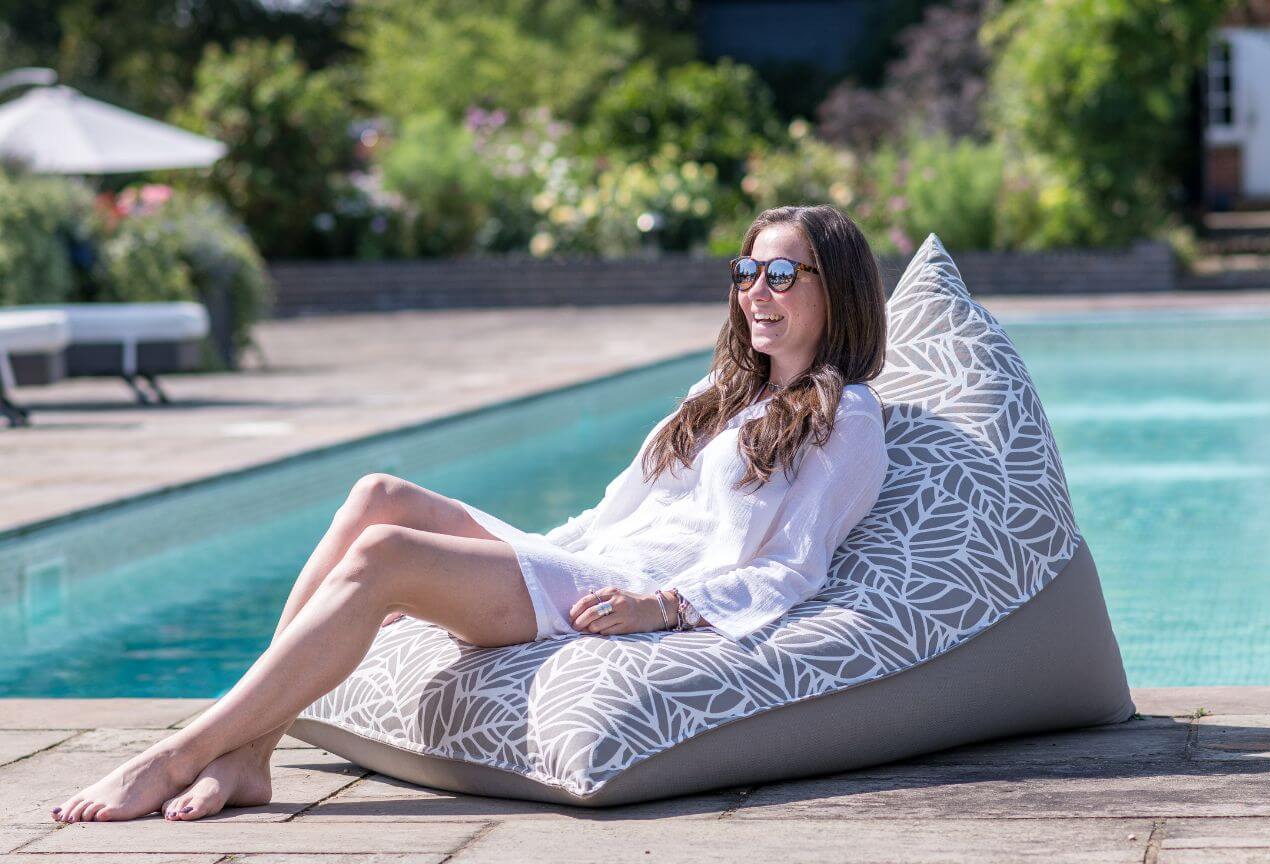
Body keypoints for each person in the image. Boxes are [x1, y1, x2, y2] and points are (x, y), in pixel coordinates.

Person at [48, 203, 889, 824]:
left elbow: (794, 567)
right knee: (377, 493)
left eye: (782, 274)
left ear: (836, 289)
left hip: (630, 592)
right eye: (746, 272)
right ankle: (253, 753)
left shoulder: (846, 418)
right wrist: (518, 549)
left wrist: (663, 609)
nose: (756, 292)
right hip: (590, 559)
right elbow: (617, 509)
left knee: (383, 555)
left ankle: (179, 752)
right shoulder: (718, 393)